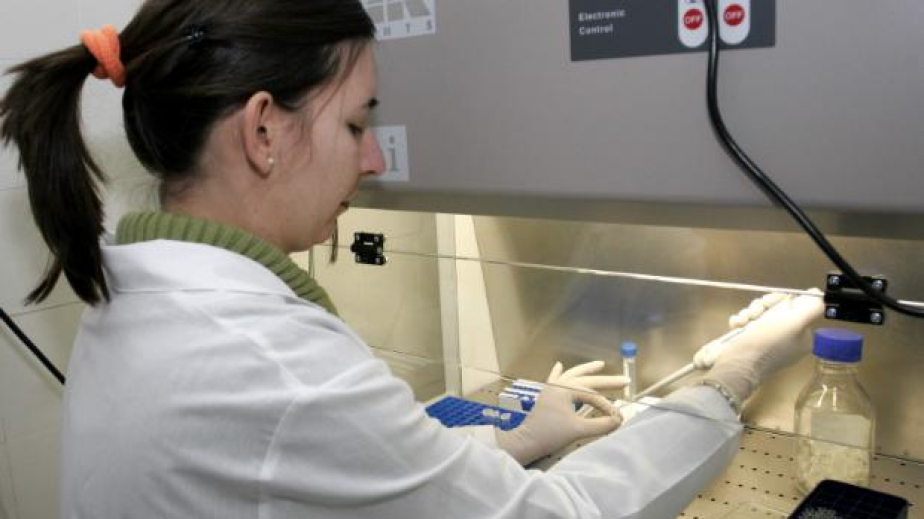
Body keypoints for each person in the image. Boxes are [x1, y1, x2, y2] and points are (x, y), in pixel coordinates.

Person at [0, 1, 823, 517]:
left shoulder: (135, 296)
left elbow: (333, 472)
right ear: (263, 130)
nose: (373, 160)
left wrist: (509, 440)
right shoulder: (274, 364)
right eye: (356, 123)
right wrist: (728, 377)